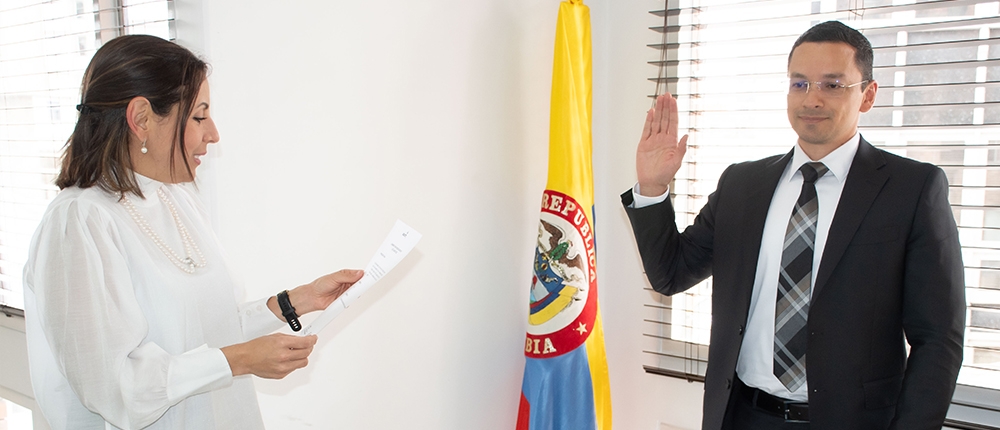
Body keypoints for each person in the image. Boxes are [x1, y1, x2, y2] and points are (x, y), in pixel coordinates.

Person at [622, 21, 965, 430]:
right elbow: (670, 274)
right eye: (799, 84)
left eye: (832, 85)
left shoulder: (912, 189)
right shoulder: (742, 185)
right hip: (743, 416)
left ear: (867, 95)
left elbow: (938, 339)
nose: (812, 99)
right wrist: (653, 187)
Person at [22, 34, 363, 429]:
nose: (213, 133)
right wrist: (241, 359)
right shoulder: (78, 223)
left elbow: (207, 329)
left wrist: (293, 302)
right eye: (199, 116)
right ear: (141, 119)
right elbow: (115, 389)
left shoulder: (175, 199)